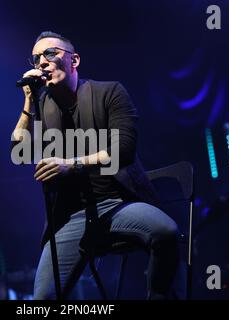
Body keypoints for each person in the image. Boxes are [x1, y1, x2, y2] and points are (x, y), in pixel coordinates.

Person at [11, 31, 179, 300]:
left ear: (74, 60)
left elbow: (122, 151)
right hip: (71, 217)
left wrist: (71, 165)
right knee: (43, 300)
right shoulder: (42, 106)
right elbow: (19, 150)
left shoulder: (109, 92)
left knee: (165, 231)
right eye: (36, 58)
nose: (41, 62)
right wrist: (29, 99)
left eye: (50, 53)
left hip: (118, 203)